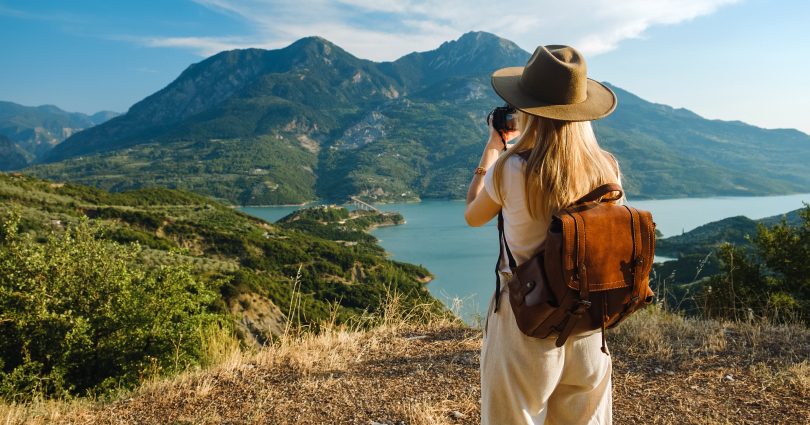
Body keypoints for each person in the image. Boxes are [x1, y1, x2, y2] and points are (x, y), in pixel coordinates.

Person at [464, 45, 621, 425]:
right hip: (587, 325)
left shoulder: (510, 168)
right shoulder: (607, 169)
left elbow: (473, 214)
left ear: (526, 109)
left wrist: (491, 150)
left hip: (526, 323)